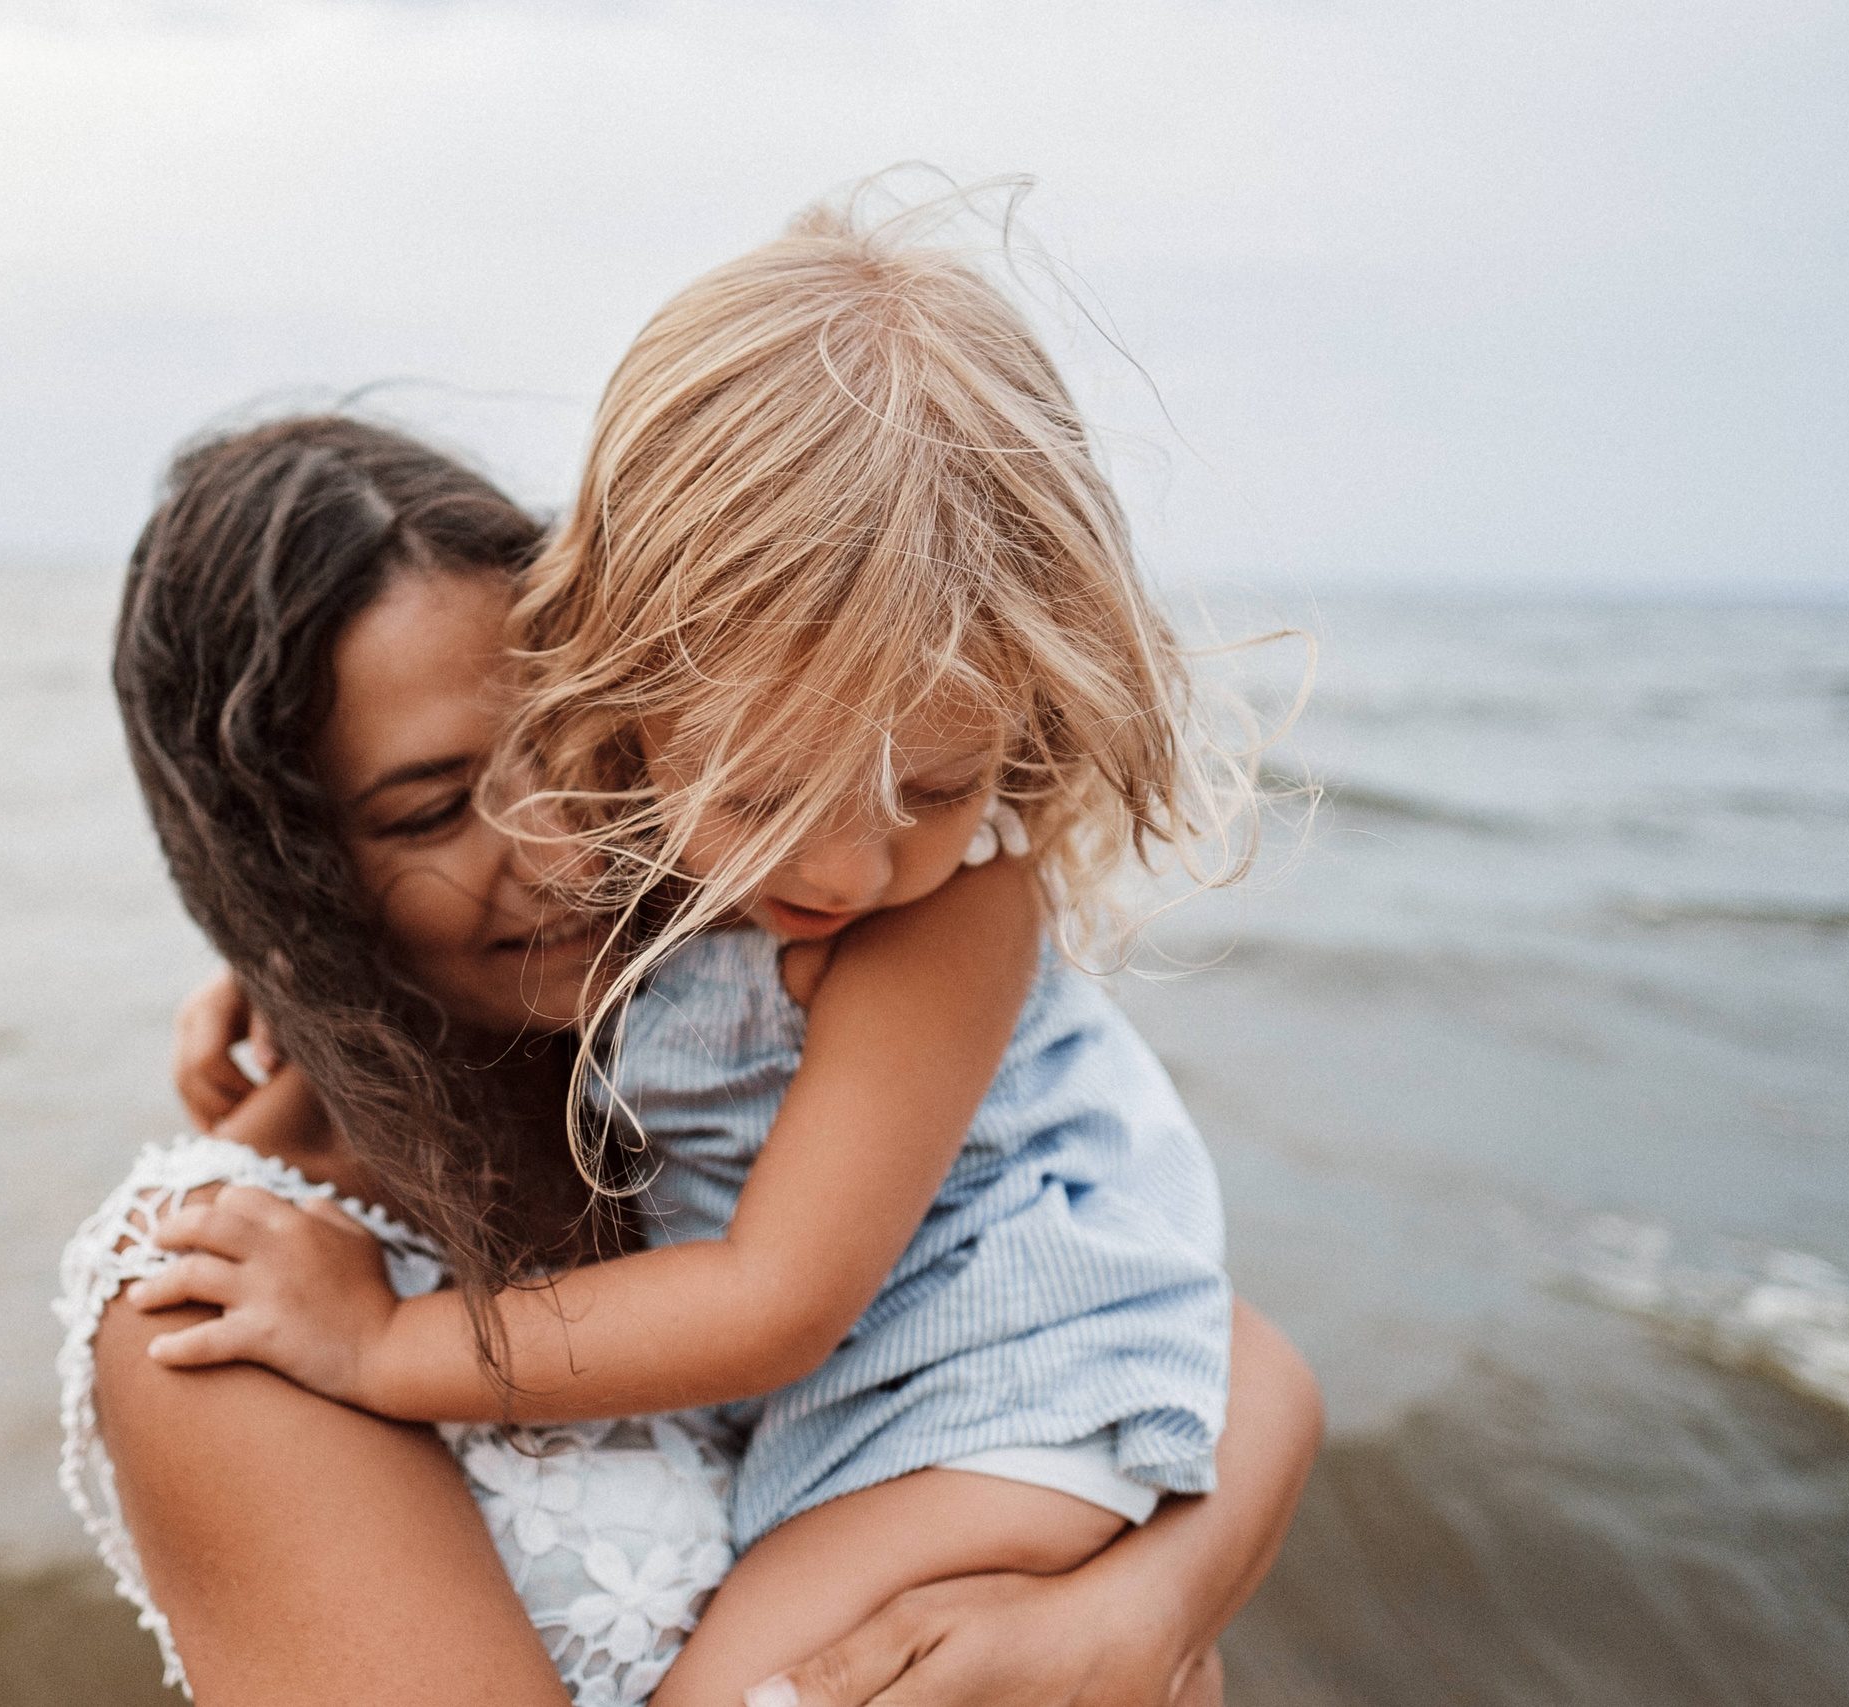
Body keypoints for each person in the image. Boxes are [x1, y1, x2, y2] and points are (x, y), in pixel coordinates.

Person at [99, 210, 1309, 1706]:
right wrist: (297, 989)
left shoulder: (846, 915)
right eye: (428, 809)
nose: (563, 847)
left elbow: (1223, 1353)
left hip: (992, 1417)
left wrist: (1151, 1614)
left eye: (565, 756)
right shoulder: (213, 1290)